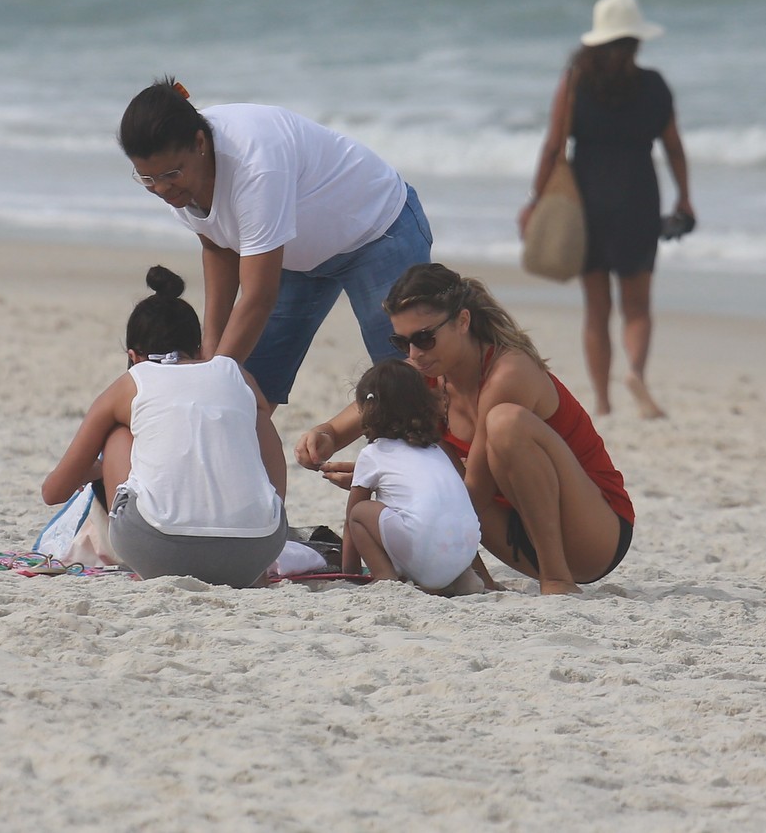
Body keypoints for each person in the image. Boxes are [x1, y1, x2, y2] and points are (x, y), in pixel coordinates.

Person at [296, 263, 635, 595]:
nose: (415, 353)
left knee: (505, 423)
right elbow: (361, 410)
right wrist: (325, 435)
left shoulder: (508, 371)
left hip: (593, 535)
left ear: (462, 321)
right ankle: (486, 580)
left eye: (425, 338)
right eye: (402, 343)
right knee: (422, 445)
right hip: (516, 531)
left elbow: (471, 493)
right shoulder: (424, 372)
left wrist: (400, 478)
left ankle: (558, 580)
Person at [118, 78, 433, 406]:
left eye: (171, 175)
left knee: (405, 379)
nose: (163, 190)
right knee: (249, 385)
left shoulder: (255, 165)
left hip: (376, 231)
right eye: (147, 179)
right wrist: (211, 354)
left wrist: (210, 380)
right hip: (290, 251)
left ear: (199, 143)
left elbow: (258, 297)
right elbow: (217, 246)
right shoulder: (177, 178)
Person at [41, 265, 287, 588]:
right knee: (257, 418)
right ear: (199, 349)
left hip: (156, 549)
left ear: (133, 355)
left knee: (118, 434)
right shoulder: (233, 373)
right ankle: (258, 522)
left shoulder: (134, 381)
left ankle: (145, 559)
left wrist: (100, 469)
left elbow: (53, 492)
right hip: (257, 548)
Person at [520, 0, 694, 420]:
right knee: (637, 306)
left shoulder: (576, 80)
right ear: (636, 41)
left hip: (587, 198)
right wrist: (684, 197)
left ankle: (601, 400)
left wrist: (535, 200)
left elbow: (551, 147)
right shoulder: (654, 85)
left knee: (597, 308)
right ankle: (634, 372)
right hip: (638, 195)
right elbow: (673, 146)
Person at [335, 358, 481, 592]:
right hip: (464, 550)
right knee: (437, 515)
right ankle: (464, 579)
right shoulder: (437, 449)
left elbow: (351, 521)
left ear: (366, 408)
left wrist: (349, 573)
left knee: (360, 512)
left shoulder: (373, 454)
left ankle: (385, 578)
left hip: (424, 556)